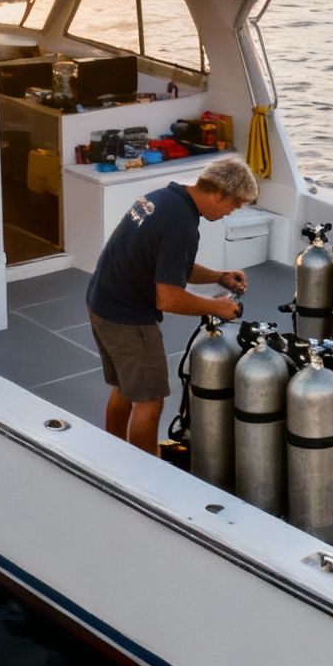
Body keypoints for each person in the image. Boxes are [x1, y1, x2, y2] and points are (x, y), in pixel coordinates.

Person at [86, 157, 259, 455]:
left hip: (101, 302)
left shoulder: (164, 198)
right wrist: (216, 307)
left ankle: (111, 452)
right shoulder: (182, 224)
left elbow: (171, 265)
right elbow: (167, 297)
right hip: (128, 318)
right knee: (149, 401)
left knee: (124, 387)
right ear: (218, 194)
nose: (232, 211)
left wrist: (218, 277)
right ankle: (148, 475)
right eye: (234, 205)